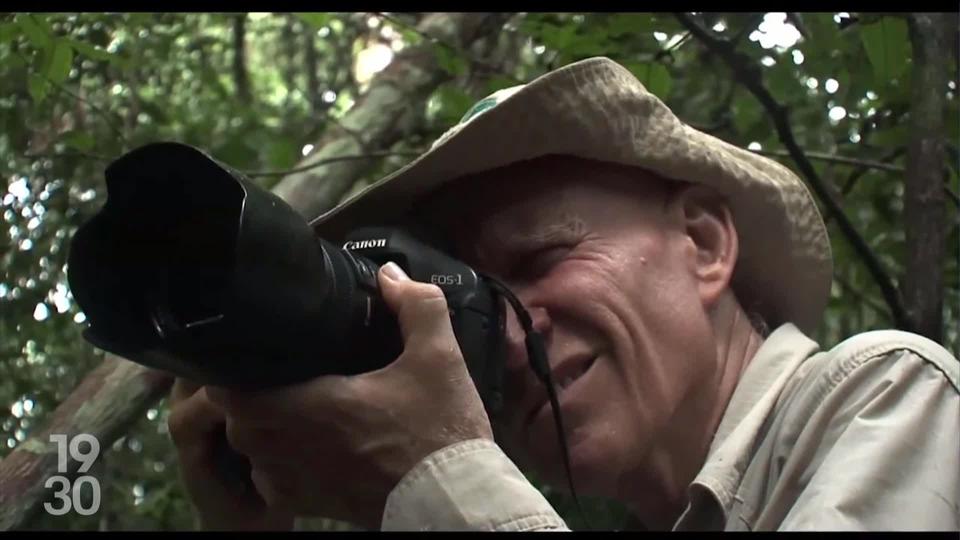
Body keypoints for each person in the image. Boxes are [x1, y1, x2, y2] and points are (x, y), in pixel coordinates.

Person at [166, 57, 960, 531]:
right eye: (473, 301)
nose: (505, 338)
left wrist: (434, 473)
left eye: (541, 256)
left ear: (706, 244)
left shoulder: (893, 397)